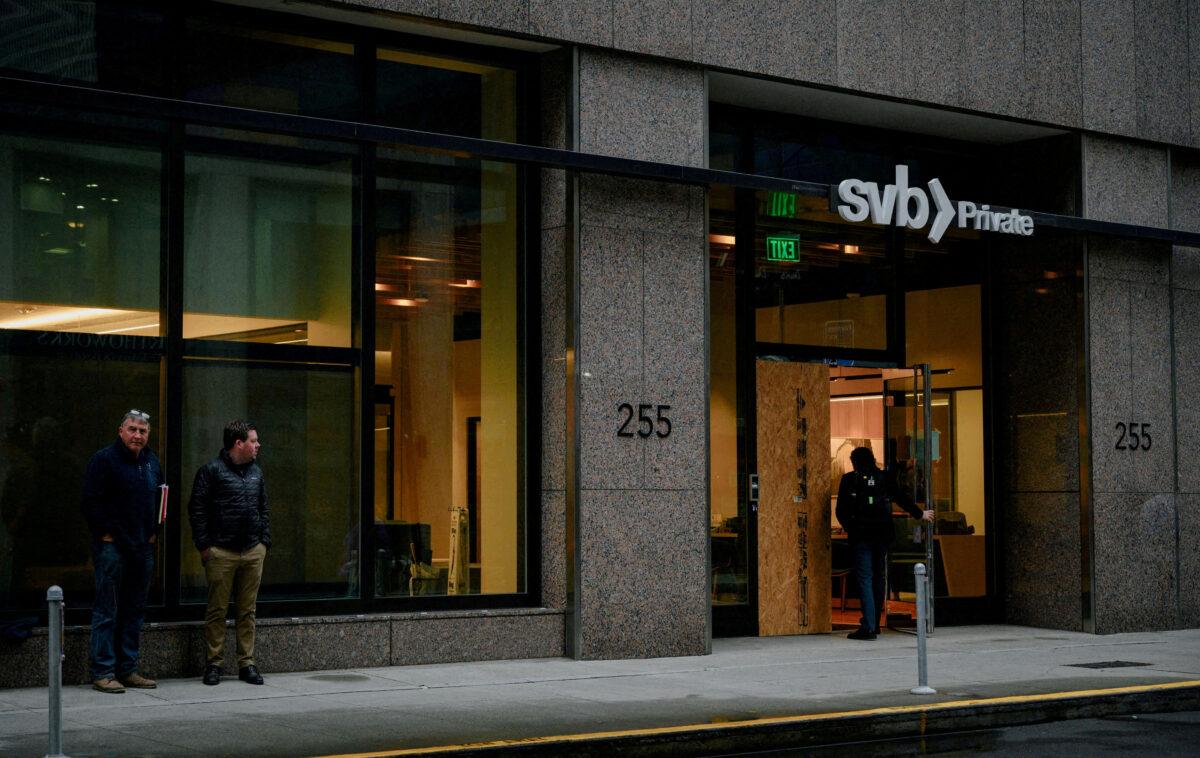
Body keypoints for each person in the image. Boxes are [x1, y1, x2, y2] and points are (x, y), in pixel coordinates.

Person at [81, 410, 163, 693]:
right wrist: (104, 533)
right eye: (132, 429)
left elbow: (161, 499)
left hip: (142, 547)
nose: (137, 435)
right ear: (120, 431)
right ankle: (103, 671)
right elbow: (90, 501)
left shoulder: (152, 462)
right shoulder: (104, 460)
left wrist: (154, 533)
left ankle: (128, 669)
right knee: (107, 610)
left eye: (142, 431)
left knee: (134, 610)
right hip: (112, 548)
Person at [188, 420, 270, 686]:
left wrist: (263, 542)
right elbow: (197, 510)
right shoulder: (211, 471)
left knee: (248, 610)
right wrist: (204, 546)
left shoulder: (256, 472)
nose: (258, 445)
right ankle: (214, 664)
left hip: (252, 550)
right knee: (217, 610)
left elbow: (263, 508)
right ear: (239, 443)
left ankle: (247, 663)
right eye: (253, 441)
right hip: (221, 552)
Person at [834, 446, 933, 641]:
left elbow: (841, 510)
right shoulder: (884, 477)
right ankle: (876, 623)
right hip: (882, 535)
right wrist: (920, 513)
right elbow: (900, 497)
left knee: (865, 578)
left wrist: (851, 527)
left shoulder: (849, 479)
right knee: (878, 577)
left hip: (861, 536)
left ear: (854, 461)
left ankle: (869, 626)